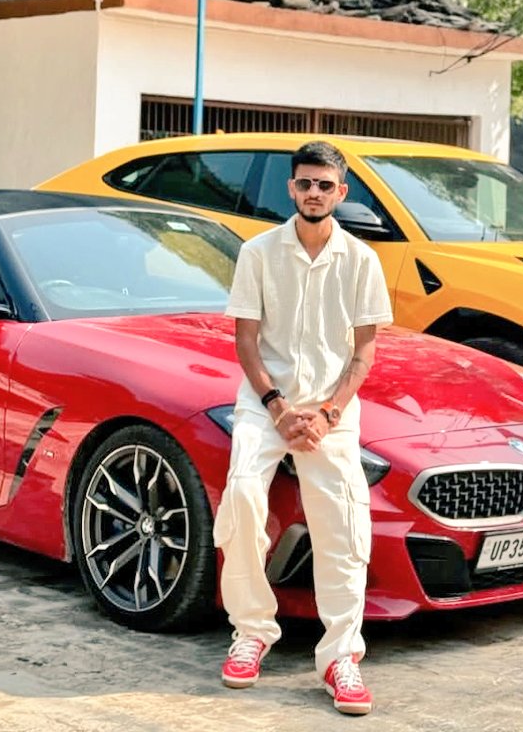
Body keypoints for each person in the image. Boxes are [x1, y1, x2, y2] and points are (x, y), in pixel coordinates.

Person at [213, 140, 393, 716]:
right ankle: (251, 631)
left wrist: (328, 413)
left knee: (343, 520)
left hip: (331, 411)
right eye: (305, 183)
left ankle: (341, 658)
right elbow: (245, 341)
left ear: (341, 192)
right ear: (291, 188)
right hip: (266, 404)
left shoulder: (362, 260)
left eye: (324, 185)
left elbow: (364, 353)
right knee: (243, 497)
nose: (314, 193)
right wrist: (278, 408)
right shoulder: (259, 253)